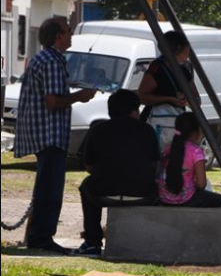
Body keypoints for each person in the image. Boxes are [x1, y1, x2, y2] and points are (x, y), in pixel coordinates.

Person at [14, 18, 96, 253]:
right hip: (48, 133)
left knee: (47, 187)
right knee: (50, 189)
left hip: (45, 132)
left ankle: (39, 236)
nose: (71, 35)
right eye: (68, 31)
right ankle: (42, 238)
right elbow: (52, 102)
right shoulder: (50, 61)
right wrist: (79, 96)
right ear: (58, 37)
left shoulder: (47, 59)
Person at [74, 89, 160, 256]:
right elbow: (154, 165)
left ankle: (92, 243)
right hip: (143, 194)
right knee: (156, 187)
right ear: (134, 111)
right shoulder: (147, 130)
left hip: (103, 193)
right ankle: (148, 239)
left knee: (87, 185)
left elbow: (89, 166)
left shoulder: (98, 130)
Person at [137, 30, 199, 153]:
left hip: (177, 125)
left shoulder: (185, 69)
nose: (189, 51)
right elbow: (142, 96)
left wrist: (187, 100)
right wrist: (168, 99)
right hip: (155, 125)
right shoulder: (157, 68)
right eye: (187, 47)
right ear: (179, 48)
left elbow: (196, 99)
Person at [156, 112, 221, 207]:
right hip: (187, 200)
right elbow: (201, 184)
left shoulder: (167, 148)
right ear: (195, 132)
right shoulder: (196, 152)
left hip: (164, 198)